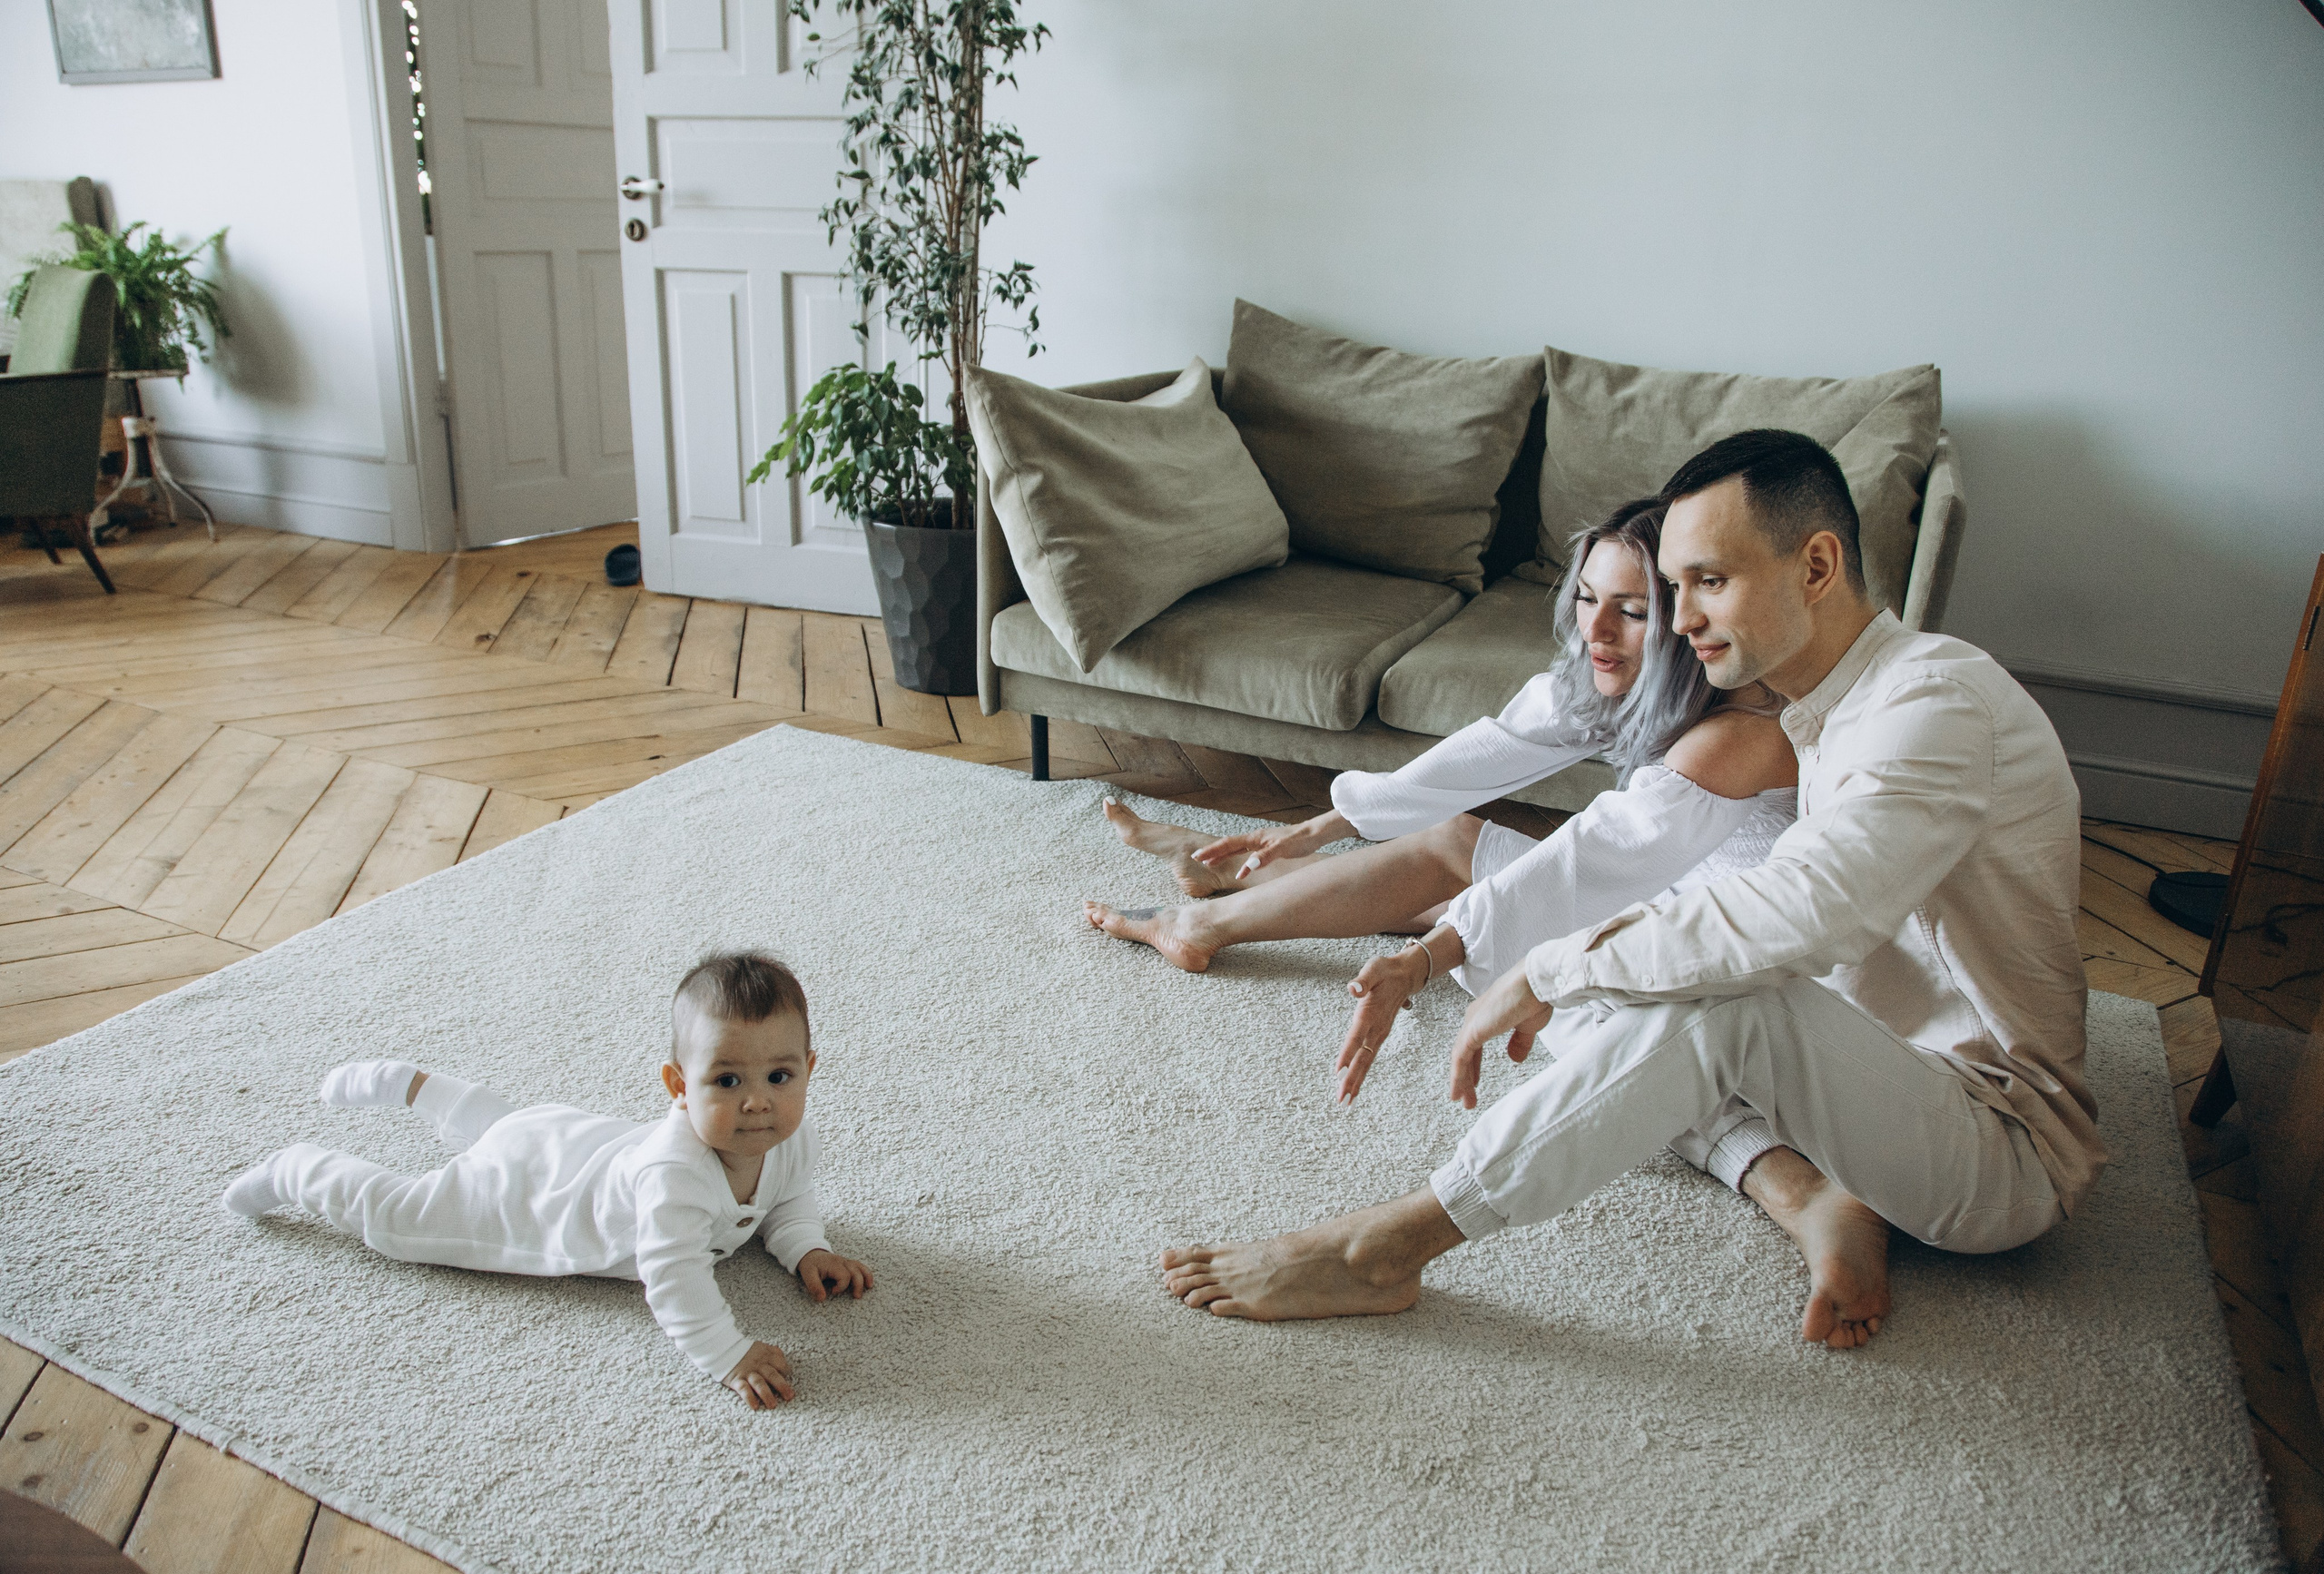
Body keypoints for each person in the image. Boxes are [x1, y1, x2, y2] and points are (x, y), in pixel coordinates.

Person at [1158, 428, 2102, 1352]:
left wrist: (1553, 969)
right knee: (1631, 980)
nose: (1682, 619)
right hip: (1861, 1081)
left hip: (1997, 1140)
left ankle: (1388, 1247)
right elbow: (1550, 762)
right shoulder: (1828, 708)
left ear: (1815, 566)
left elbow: (1808, 915)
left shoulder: (1929, 705)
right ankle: (1801, 1186)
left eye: (1709, 582)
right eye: (1676, 587)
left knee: (1716, 1002)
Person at [1088, 497, 1797, 1107]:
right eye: (1586, 598)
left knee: (1459, 868)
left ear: (1686, 618)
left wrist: (1423, 961)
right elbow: (1493, 748)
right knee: (1459, 872)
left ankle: (1205, 916)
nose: (1597, 630)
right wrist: (1322, 826)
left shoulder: (1737, 730)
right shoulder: (1634, 676)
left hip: (1723, 952)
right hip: (1661, 894)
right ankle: (1225, 881)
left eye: (1632, 610)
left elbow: (1592, 858)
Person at [220, 951, 873, 1410]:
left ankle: (419, 1087)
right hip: (541, 1204)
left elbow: (788, 1195)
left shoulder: (789, 1137)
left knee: (515, 1130)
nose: (758, 1102)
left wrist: (804, 1245)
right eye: (726, 1081)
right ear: (677, 1087)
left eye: (779, 1078)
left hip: (577, 1148)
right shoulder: (676, 1180)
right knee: (403, 1221)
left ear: (808, 1070)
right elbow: (674, 1280)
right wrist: (728, 1354)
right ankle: (301, 1169)